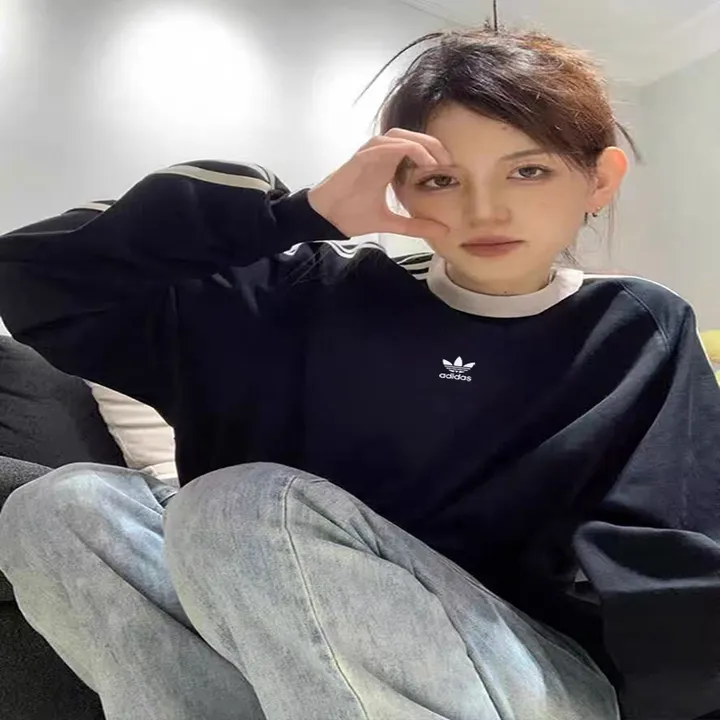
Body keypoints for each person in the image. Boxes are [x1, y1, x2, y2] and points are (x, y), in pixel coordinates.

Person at [0, 24, 719, 720]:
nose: (485, 209)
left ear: (599, 180)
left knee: (241, 505)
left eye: (528, 170)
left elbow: (672, 556)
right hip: (289, 661)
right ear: (401, 189)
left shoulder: (635, 328)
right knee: (58, 508)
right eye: (441, 179)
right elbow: (29, 276)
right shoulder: (301, 293)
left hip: (528, 676)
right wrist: (296, 215)